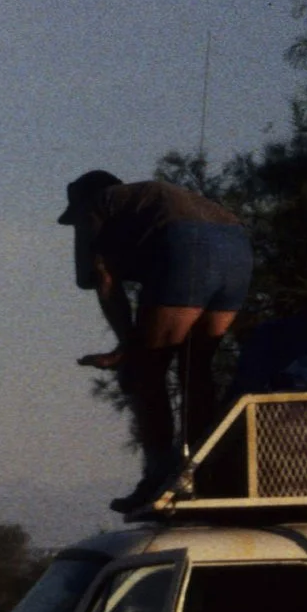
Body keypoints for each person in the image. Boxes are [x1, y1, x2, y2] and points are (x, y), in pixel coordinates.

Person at [59, 169, 254, 512]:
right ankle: (206, 473)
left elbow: (99, 277)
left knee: (145, 373)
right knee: (197, 371)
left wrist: (126, 347)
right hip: (237, 247)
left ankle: (158, 477)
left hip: (187, 246)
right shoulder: (147, 200)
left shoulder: (99, 203)